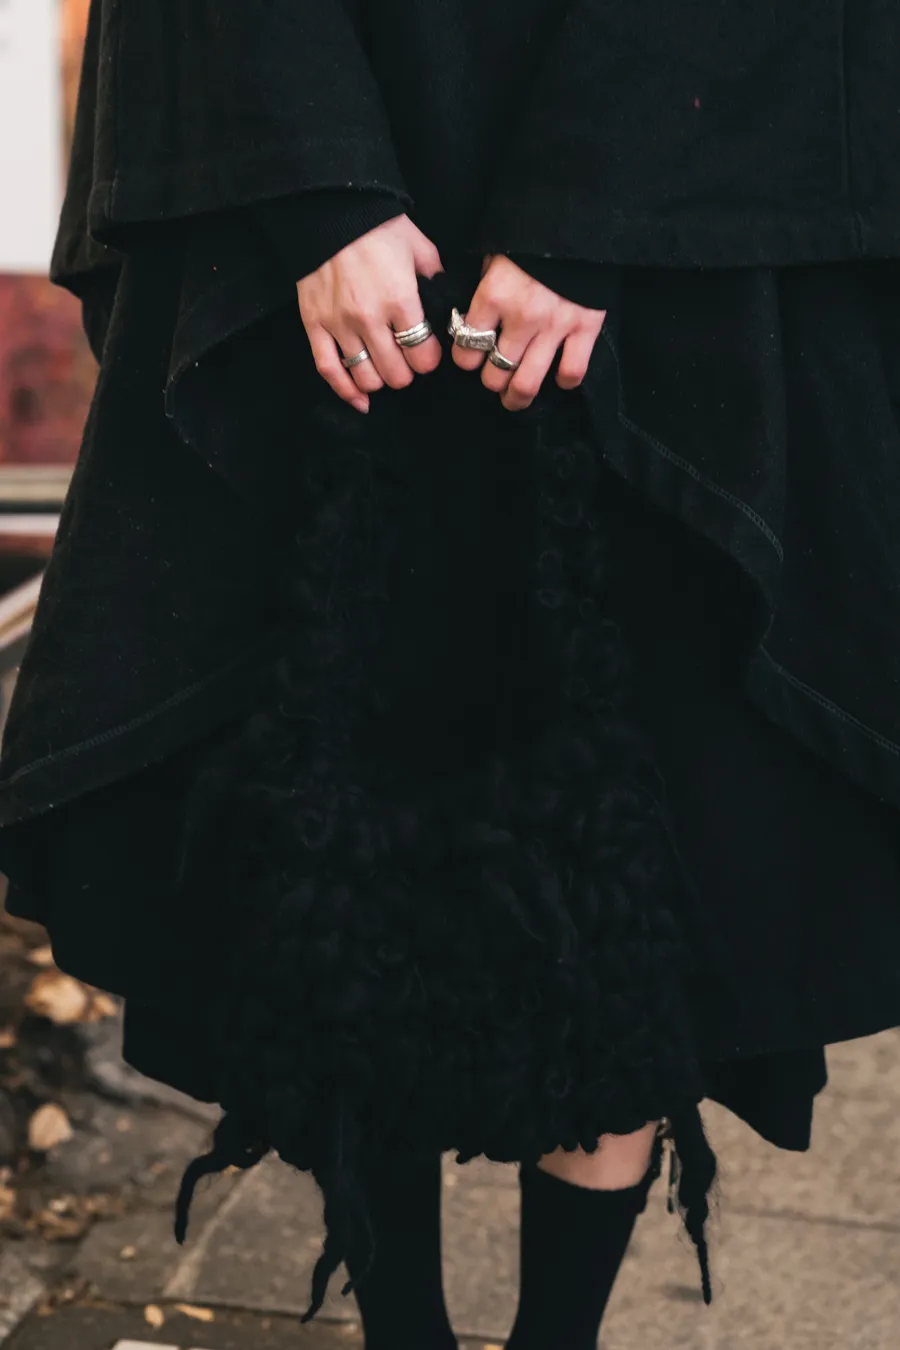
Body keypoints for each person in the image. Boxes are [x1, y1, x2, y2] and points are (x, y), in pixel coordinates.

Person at [1, 3, 900, 1347]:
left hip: (669, 207)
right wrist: (319, 194)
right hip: (329, 209)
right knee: (337, 831)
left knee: (632, 840)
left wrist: (600, 203)